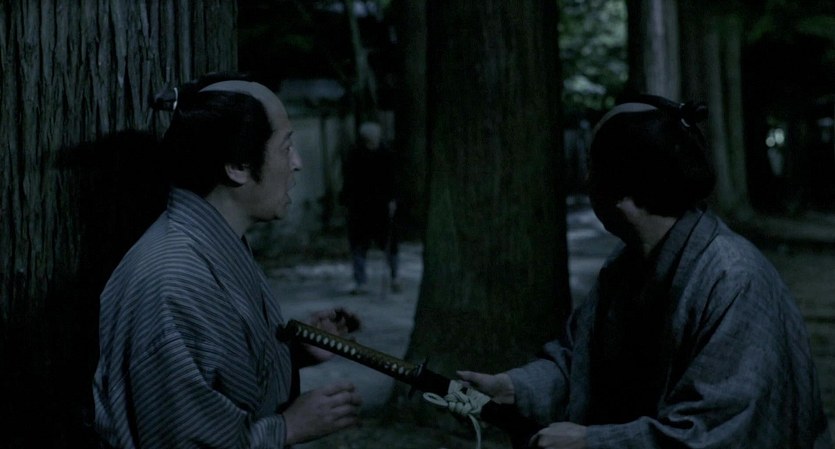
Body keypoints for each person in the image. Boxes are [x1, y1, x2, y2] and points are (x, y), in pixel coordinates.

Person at [458, 95, 833, 449]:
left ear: (622, 190)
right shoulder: (628, 264)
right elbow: (582, 361)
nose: (586, 181)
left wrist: (593, 442)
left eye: (593, 167)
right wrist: (514, 388)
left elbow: (720, 430)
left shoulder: (732, 279)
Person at [92, 74, 363, 449]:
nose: (297, 163)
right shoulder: (173, 279)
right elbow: (175, 439)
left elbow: (211, 372)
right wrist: (286, 428)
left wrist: (291, 354)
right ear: (237, 165)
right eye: (286, 147)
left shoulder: (212, 244)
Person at [340, 121, 400, 295]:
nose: (373, 140)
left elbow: (393, 180)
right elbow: (349, 181)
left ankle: (395, 277)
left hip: (382, 206)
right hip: (360, 207)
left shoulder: (387, 155)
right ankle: (361, 281)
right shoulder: (355, 155)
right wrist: (346, 202)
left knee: (389, 243)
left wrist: (393, 199)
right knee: (359, 245)